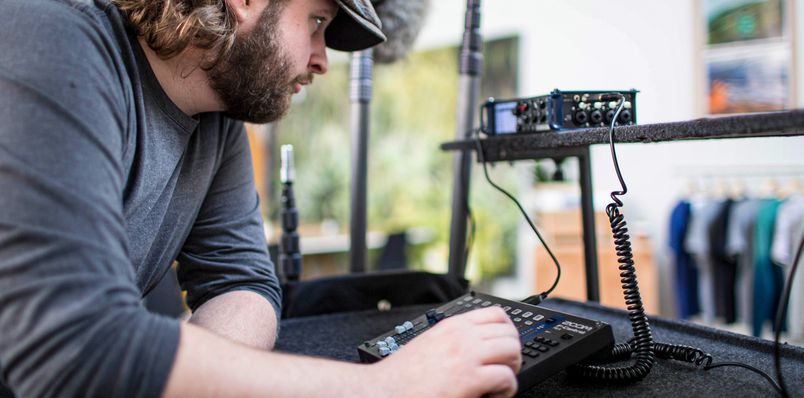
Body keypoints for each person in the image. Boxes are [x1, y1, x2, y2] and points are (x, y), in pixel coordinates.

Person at [0, 0, 522, 396]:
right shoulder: (51, 35)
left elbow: (241, 281)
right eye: (316, 21)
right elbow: (73, 344)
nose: (322, 62)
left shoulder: (217, 119)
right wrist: (389, 386)